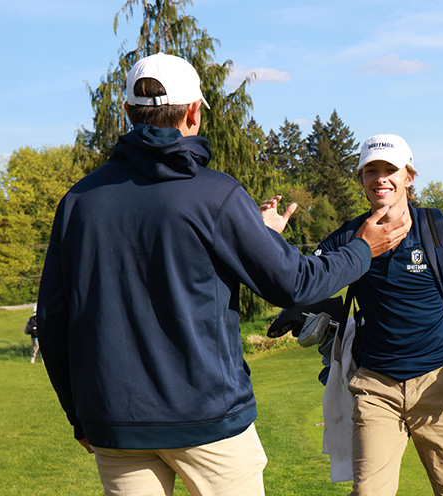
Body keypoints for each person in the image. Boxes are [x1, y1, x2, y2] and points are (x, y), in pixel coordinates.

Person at [36, 53, 411, 496]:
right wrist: (363, 248)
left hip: (117, 424)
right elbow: (294, 284)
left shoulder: (79, 202)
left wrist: (79, 416)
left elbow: (54, 321)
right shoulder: (214, 194)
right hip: (209, 419)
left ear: (127, 113)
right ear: (194, 112)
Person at [315, 134, 443, 496]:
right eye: (371, 170)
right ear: (361, 179)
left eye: (391, 169)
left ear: (409, 177)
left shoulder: (437, 228)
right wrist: (268, 237)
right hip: (377, 388)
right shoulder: (348, 237)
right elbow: (303, 278)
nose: (380, 178)